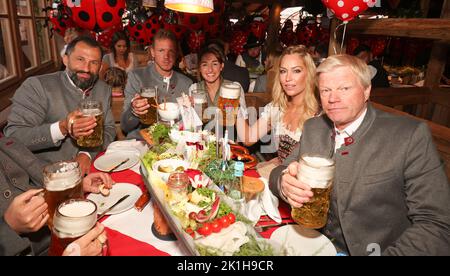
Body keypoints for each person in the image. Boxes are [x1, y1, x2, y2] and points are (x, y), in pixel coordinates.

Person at [269, 54, 450, 255]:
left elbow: (437, 224)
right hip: (310, 243)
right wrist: (284, 183)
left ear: (366, 90)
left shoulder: (408, 136)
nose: (332, 98)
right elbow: (280, 171)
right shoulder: (314, 127)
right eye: (325, 90)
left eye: (344, 89)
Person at [4, 36, 116, 176]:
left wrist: (87, 154)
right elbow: (14, 137)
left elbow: (110, 128)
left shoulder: (103, 89)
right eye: (80, 59)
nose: (86, 69)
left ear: (100, 66)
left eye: (94, 62)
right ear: (65, 59)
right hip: (45, 178)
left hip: (92, 172)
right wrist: (62, 128)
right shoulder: (37, 86)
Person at [0, 134, 114, 256]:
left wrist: (75, 188)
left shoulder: (7, 143)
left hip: (60, 237)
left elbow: (41, 180)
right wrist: (10, 227)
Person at [237, 45, 319, 178]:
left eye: (296, 71)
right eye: (283, 71)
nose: (288, 78)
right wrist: (234, 108)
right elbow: (248, 138)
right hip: (279, 176)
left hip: (303, 183)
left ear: (309, 73)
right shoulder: (276, 108)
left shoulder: (319, 115)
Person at [121, 29, 193, 139]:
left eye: (171, 51)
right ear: (152, 52)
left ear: (176, 53)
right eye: (161, 50)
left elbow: (190, 126)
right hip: (141, 143)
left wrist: (193, 112)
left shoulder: (187, 83)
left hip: (175, 145)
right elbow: (125, 126)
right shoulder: (137, 77)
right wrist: (134, 111)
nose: (166, 56)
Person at [188, 44, 248, 133]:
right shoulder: (194, 89)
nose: (210, 70)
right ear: (199, 68)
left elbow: (245, 128)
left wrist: (237, 110)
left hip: (228, 140)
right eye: (205, 65)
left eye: (215, 64)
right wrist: (189, 110)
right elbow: (191, 127)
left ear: (221, 66)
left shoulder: (234, 88)